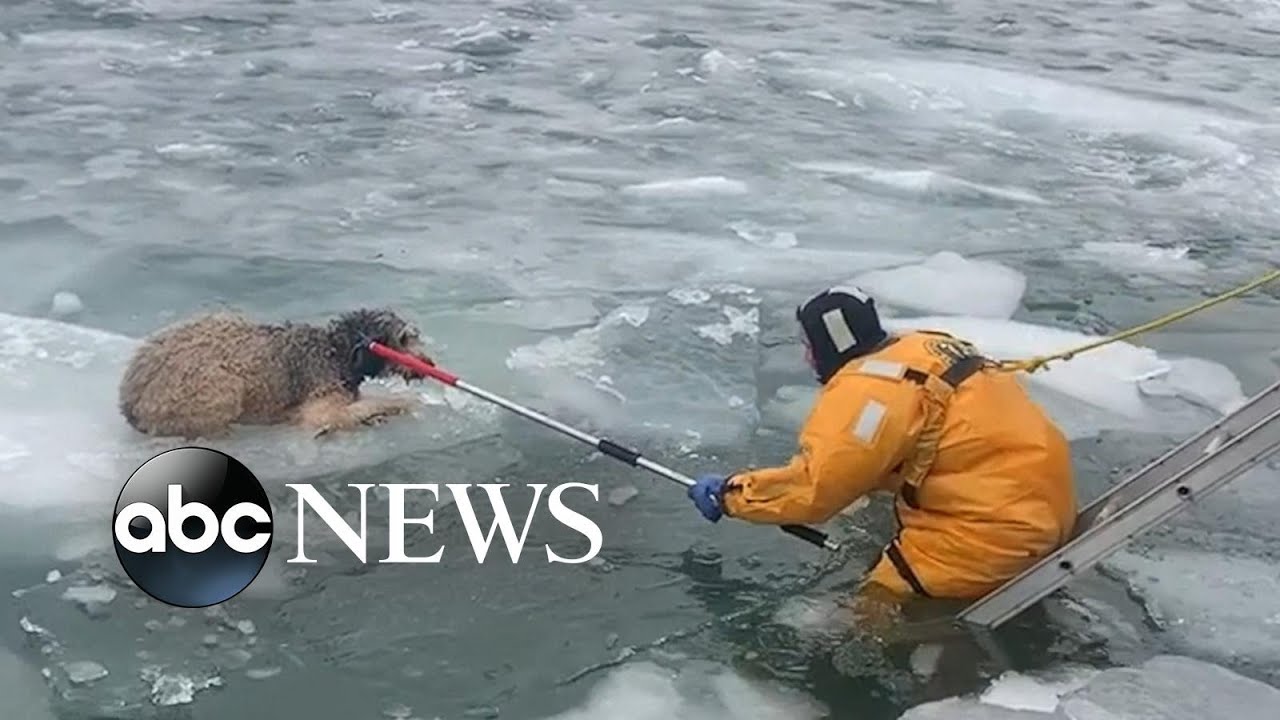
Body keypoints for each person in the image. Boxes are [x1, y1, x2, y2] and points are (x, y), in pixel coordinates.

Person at [687, 286, 1078, 601]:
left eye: (810, 346)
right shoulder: (928, 347)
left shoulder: (866, 391)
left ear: (833, 343)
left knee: (872, 603)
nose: (806, 358)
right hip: (1050, 508)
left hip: (994, 538)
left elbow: (816, 489)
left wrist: (731, 494)